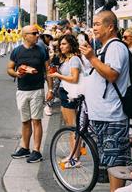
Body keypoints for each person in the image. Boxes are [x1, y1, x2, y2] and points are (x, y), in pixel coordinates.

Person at [79, 10, 131, 191]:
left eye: (97, 24)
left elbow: (112, 74)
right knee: (110, 161)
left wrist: (91, 57)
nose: (93, 27)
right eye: (93, 24)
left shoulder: (116, 47)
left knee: (116, 163)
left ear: (110, 27)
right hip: (104, 115)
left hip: (112, 116)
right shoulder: (106, 47)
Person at [7, 25, 53, 163]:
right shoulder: (16, 51)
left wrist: (50, 89)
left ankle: (37, 150)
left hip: (37, 90)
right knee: (25, 121)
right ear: (25, 35)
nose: (37, 35)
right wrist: (16, 73)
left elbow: (48, 70)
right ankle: (25, 148)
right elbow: (9, 68)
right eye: (34, 33)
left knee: (36, 120)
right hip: (22, 90)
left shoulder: (42, 50)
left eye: (37, 33)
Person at [47, 34, 83, 168]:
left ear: (71, 45)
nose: (61, 46)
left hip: (69, 93)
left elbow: (74, 78)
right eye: (60, 44)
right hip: (66, 92)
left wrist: (58, 75)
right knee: (72, 126)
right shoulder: (69, 58)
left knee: (72, 126)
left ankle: (74, 157)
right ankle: (73, 155)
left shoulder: (73, 59)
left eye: (64, 44)